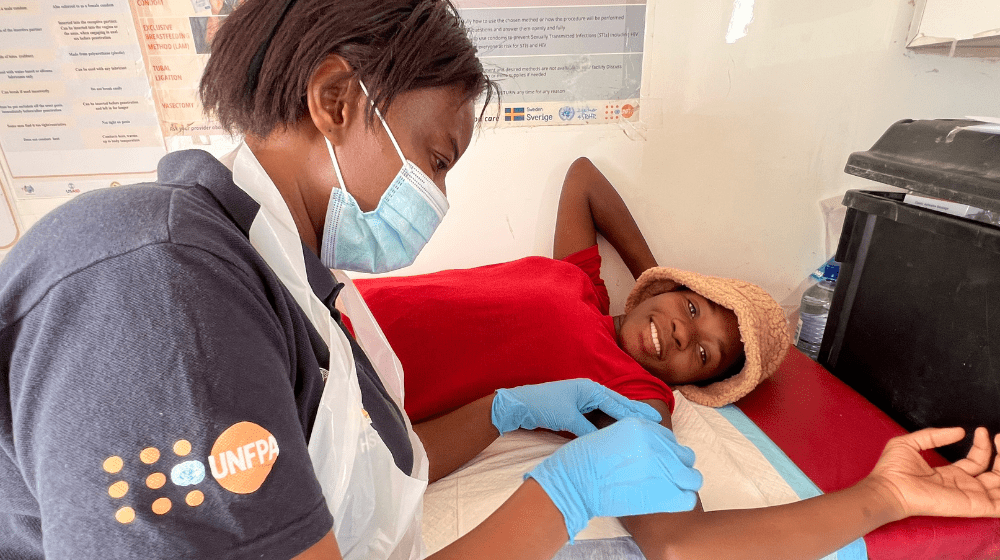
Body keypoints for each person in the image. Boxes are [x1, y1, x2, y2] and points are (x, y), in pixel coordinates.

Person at [0, 2, 709, 560]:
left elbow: (361, 473)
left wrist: (505, 410)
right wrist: (565, 495)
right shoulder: (159, 296)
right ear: (335, 99)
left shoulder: (301, 289)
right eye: (435, 160)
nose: (436, 198)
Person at [356, 157, 1000, 558]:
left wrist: (883, 496)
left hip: (343, 390)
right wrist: (656, 277)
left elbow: (685, 547)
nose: (680, 336)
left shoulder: (632, 396)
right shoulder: (582, 280)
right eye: (693, 311)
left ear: (698, 384)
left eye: (702, 354)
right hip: (329, 310)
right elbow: (583, 178)